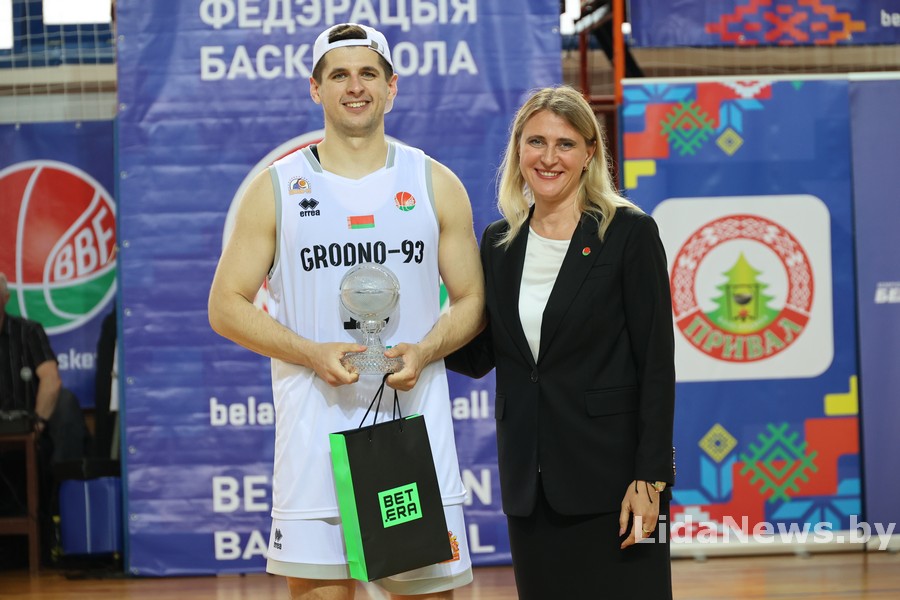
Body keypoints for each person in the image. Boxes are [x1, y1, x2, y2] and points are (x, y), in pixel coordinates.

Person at [207, 23, 485, 600]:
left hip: (410, 433)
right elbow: (224, 306)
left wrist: (425, 349)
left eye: (368, 74)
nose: (355, 87)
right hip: (315, 439)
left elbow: (473, 301)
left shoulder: (434, 183)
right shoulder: (277, 188)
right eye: (339, 75)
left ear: (391, 87)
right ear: (316, 88)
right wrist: (309, 352)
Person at [445, 85, 676, 599]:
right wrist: (413, 335)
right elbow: (483, 354)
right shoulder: (499, 243)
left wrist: (651, 480)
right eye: (536, 142)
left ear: (589, 152)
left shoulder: (629, 232)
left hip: (619, 486)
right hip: (531, 491)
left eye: (565, 144)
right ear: (518, 150)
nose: (549, 158)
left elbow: (657, 365)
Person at [0, 272, 87, 465]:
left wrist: (37, 424)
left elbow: (51, 379)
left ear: (5, 298)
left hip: (30, 427)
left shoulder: (28, 331)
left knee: (65, 401)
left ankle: (64, 481)